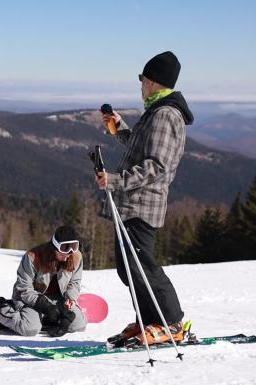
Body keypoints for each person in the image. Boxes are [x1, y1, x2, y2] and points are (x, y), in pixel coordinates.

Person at [96, 51, 193, 346]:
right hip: (131, 204)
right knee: (130, 269)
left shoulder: (164, 115)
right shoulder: (155, 111)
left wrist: (115, 181)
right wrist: (119, 128)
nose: (140, 85)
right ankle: (151, 321)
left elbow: (157, 166)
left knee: (143, 266)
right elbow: (142, 147)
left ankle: (172, 323)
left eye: (142, 79)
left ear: (152, 82)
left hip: (142, 204)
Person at [0, 225, 87, 337]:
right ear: (54, 247)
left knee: (78, 325)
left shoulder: (75, 257)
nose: (68, 254)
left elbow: (75, 281)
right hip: (31, 299)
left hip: (57, 299)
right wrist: (47, 307)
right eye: (64, 249)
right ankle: (0, 311)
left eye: (73, 247)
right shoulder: (32, 257)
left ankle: (45, 319)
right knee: (30, 329)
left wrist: (71, 299)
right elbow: (24, 289)